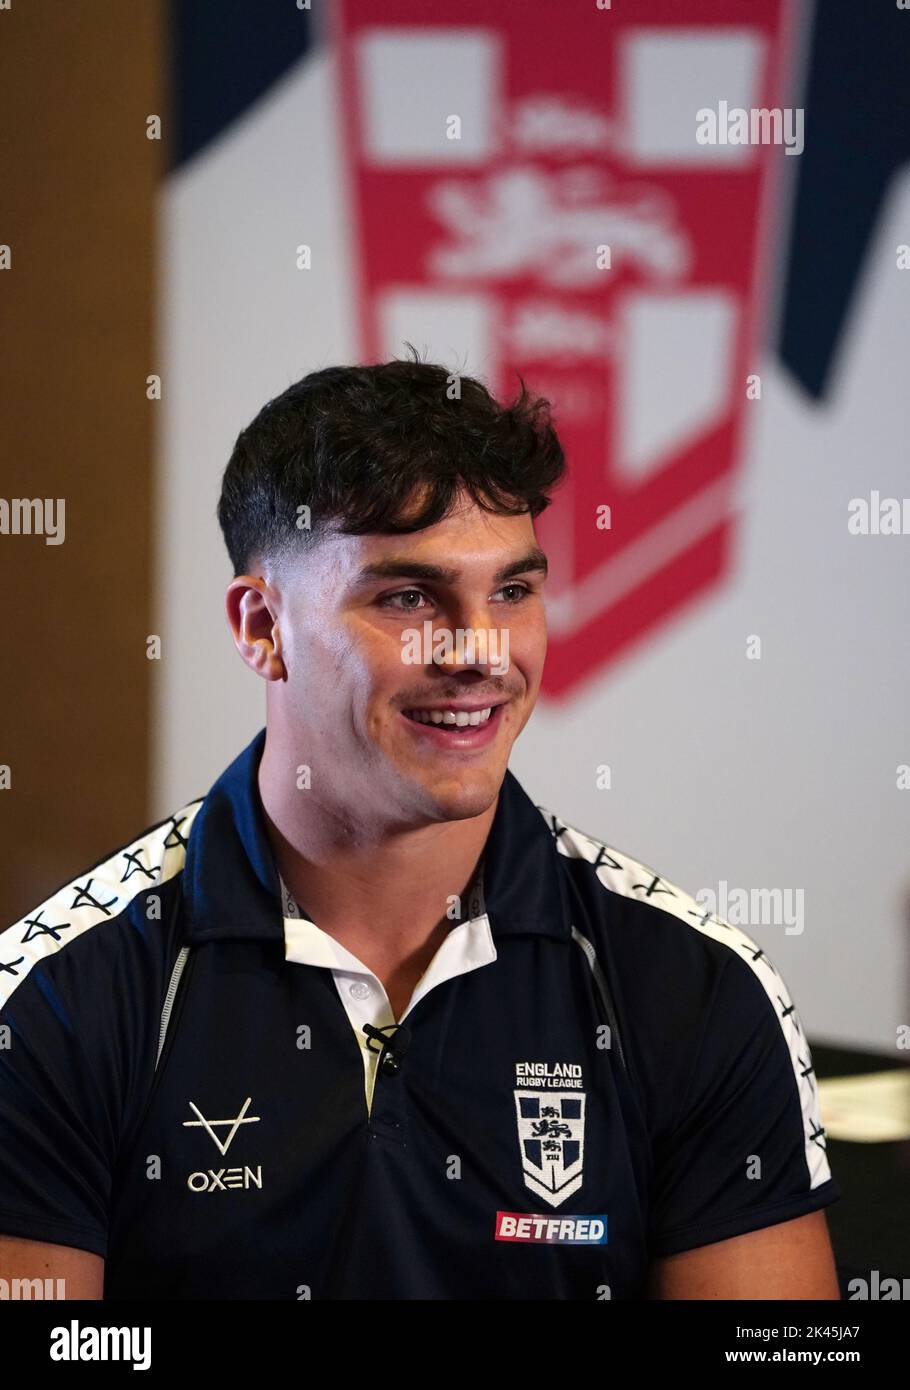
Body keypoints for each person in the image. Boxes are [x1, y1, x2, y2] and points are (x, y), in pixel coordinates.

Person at [0, 349, 841, 1299]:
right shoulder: (55, 1000)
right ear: (259, 627)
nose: (482, 653)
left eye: (513, 592)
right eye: (408, 598)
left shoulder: (694, 987)